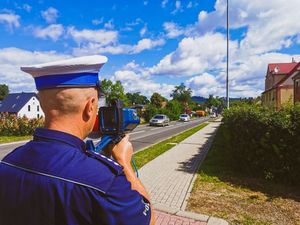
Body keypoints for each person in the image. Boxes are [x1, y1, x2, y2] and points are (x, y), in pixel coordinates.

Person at [0, 55, 154, 225]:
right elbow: (148, 221)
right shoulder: (105, 181)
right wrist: (123, 162)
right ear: (90, 106)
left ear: (43, 106)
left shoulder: (8, 163)